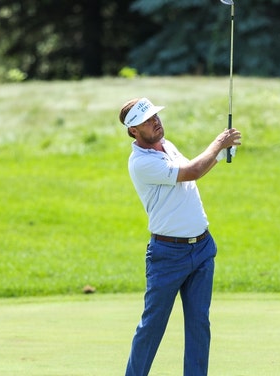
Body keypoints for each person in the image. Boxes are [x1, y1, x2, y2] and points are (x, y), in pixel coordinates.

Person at [118, 97, 242, 376]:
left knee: (199, 324)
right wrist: (219, 143)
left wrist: (221, 154)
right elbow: (192, 171)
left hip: (202, 248)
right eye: (147, 121)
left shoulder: (166, 145)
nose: (155, 122)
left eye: (155, 116)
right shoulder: (141, 163)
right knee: (152, 325)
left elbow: (195, 171)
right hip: (167, 255)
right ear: (133, 131)